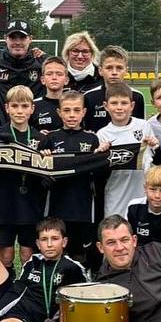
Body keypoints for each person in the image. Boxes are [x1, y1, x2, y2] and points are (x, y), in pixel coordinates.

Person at [38, 91, 104, 266]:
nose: (72, 115)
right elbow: (39, 176)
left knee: (79, 253)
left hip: (83, 208)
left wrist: (100, 156)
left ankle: (80, 279)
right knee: (56, 249)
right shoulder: (50, 139)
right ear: (59, 112)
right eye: (67, 110)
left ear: (84, 112)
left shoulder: (92, 139)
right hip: (57, 207)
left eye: (76, 110)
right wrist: (45, 160)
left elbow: (99, 174)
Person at [0, 85, 46, 267]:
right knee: (5, 254)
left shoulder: (40, 138)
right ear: (7, 108)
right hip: (4, 202)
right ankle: (6, 283)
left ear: (32, 108)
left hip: (30, 203)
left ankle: (26, 282)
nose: (19, 111)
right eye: (14, 106)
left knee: (27, 253)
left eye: (24, 106)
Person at [95, 81, 159, 217]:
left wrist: (155, 146)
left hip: (141, 192)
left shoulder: (143, 126)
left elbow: (156, 159)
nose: (119, 108)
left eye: (124, 103)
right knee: (115, 227)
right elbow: (99, 173)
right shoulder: (102, 134)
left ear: (132, 106)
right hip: (116, 193)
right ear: (106, 106)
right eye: (114, 103)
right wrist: (100, 154)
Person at [83, 45, 145, 131]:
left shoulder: (137, 96)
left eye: (119, 68)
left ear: (126, 71)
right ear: (100, 71)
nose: (114, 72)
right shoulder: (89, 97)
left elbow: (141, 129)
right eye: (109, 68)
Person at [125, 165, 161, 252]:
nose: (157, 196)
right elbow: (126, 240)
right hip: (136, 257)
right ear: (145, 189)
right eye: (152, 189)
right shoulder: (133, 206)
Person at [31, 56, 67, 134]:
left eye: (59, 74)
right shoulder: (33, 106)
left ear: (66, 80)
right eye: (49, 74)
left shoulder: (75, 105)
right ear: (42, 80)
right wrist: (37, 135)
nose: (54, 77)